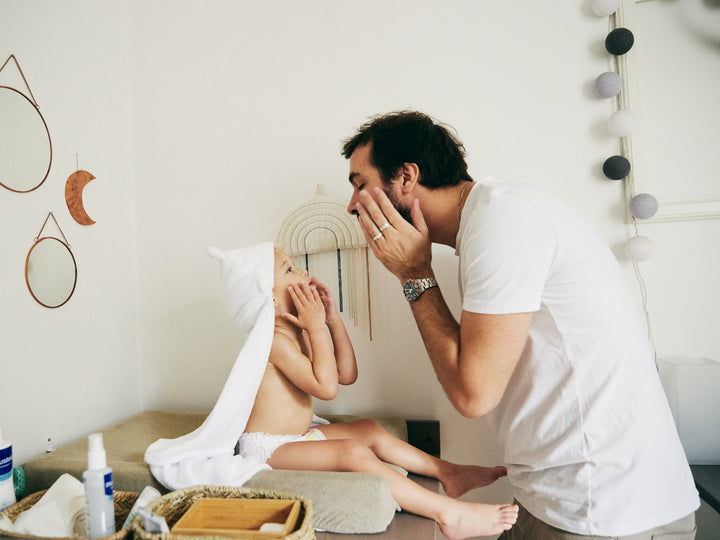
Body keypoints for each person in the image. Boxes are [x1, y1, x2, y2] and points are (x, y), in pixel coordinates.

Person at [341, 110, 700, 539]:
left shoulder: (502, 222)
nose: (351, 206)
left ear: (406, 176)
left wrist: (414, 275)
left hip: (605, 509)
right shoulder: (488, 223)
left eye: (360, 184)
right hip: (558, 497)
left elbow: (474, 395)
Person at [238, 246, 519, 539]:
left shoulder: (297, 332)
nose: (303, 272)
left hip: (297, 435)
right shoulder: (274, 342)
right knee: (351, 452)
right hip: (268, 449)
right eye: (288, 269)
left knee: (369, 429)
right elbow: (327, 389)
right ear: (268, 298)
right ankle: (447, 513)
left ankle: (447, 471)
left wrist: (332, 321)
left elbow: (346, 374)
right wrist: (317, 328)